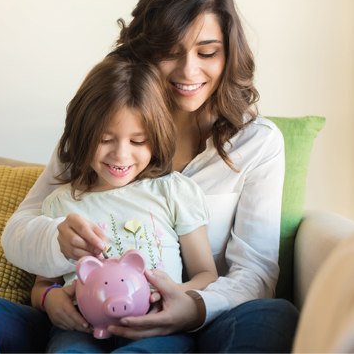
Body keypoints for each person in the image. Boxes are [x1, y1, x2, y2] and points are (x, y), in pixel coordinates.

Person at [1, 0, 299, 353]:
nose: (189, 71)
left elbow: (255, 272)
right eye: (170, 51)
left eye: (207, 53)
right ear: (142, 50)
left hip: (210, 315)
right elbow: (20, 231)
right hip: (94, 317)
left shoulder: (258, 143)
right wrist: (55, 255)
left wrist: (194, 307)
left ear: (229, 54)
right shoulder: (97, 135)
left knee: (274, 315)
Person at [31, 56, 218, 353]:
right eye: (106, 139)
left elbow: (207, 274)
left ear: (156, 139)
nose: (121, 155)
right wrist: (49, 299)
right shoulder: (60, 203)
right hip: (82, 331)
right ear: (82, 135)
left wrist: (173, 296)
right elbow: (43, 284)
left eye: (138, 141)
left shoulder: (172, 191)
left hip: (158, 328)